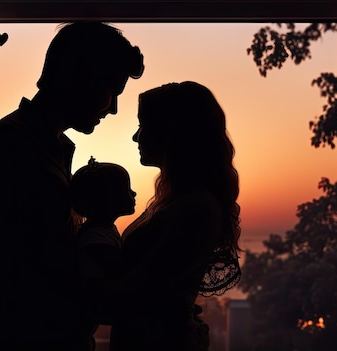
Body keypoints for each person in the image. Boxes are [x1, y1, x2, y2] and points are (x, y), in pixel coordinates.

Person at [0, 22, 144, 350]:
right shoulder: (13, 147)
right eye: (112, 92)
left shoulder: (44, 146)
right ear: (81, 79)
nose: (114, 109)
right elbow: (33, 269)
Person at [91, 81, 243, 350]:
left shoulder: (194, 209)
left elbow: (136, 295)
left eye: (143, 125)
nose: (136, 137)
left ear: (172, 132)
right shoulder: (180, 203)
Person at [70, 156, 137, 350]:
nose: (133, 192)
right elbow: (120, 267)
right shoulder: (97, 235)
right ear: (108, 198)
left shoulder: (102, 231)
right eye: (126, 188)